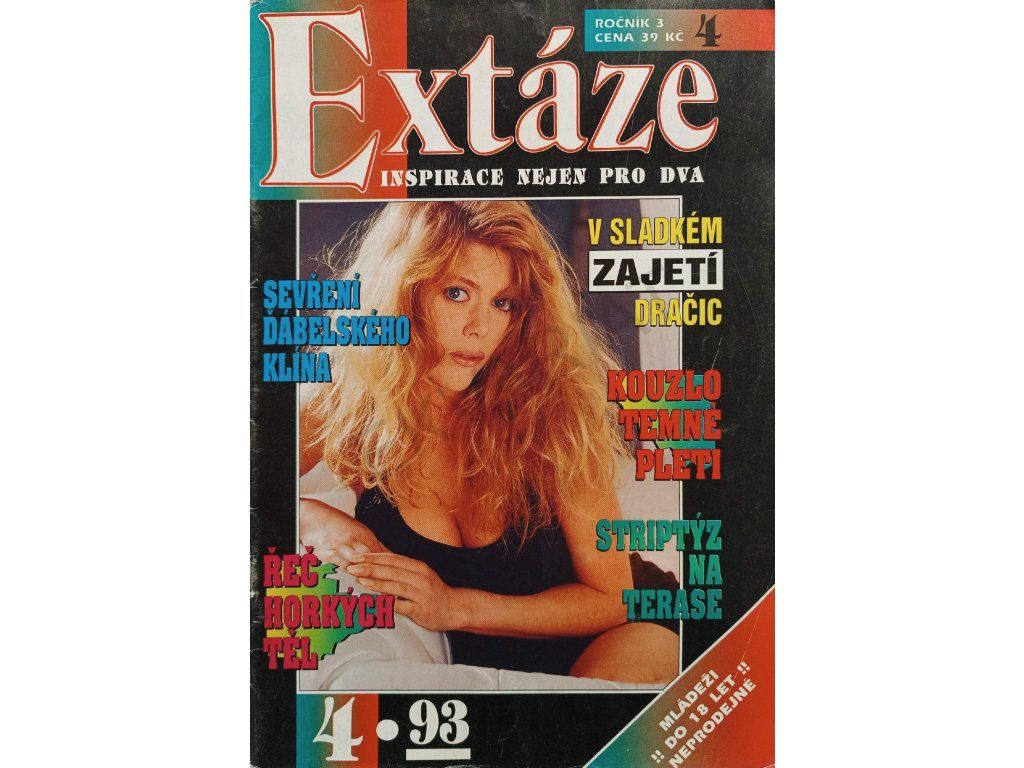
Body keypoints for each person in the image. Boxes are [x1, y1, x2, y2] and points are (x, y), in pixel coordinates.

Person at [298, 201, 678, 684]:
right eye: (456, 293)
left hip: (616, 629)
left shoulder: (553, 406)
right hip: (475, 664)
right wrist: (310, 514)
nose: (479, 328)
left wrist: (453, 606)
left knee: (588, 716)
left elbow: (611, 598)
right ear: (403, 291)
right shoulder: (346, 400)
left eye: (503, 303)